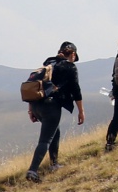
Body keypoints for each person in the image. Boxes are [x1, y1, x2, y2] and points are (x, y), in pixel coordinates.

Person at [27, 41, 84, 182]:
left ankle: (54, 163)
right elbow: (76, 90)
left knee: (54, 132)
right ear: (73, 54)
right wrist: (81, 111)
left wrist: (31, 109)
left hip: (36, 104)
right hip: (51, 106)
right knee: (45, 140)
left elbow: (36, 85)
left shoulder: (49, 64)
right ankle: (32, 171)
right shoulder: (70, 67)